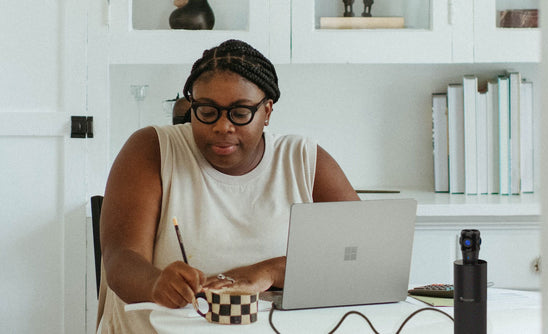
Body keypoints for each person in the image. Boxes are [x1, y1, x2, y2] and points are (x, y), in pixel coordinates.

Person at [98, 39, 359, 333]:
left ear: (268, 112)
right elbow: (120, 259)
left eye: (240, 112)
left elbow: (361, 258)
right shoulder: (152, 149)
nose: (223, 126)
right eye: (207, 111)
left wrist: (269, 271)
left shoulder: (303, 160)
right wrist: (155, 283)